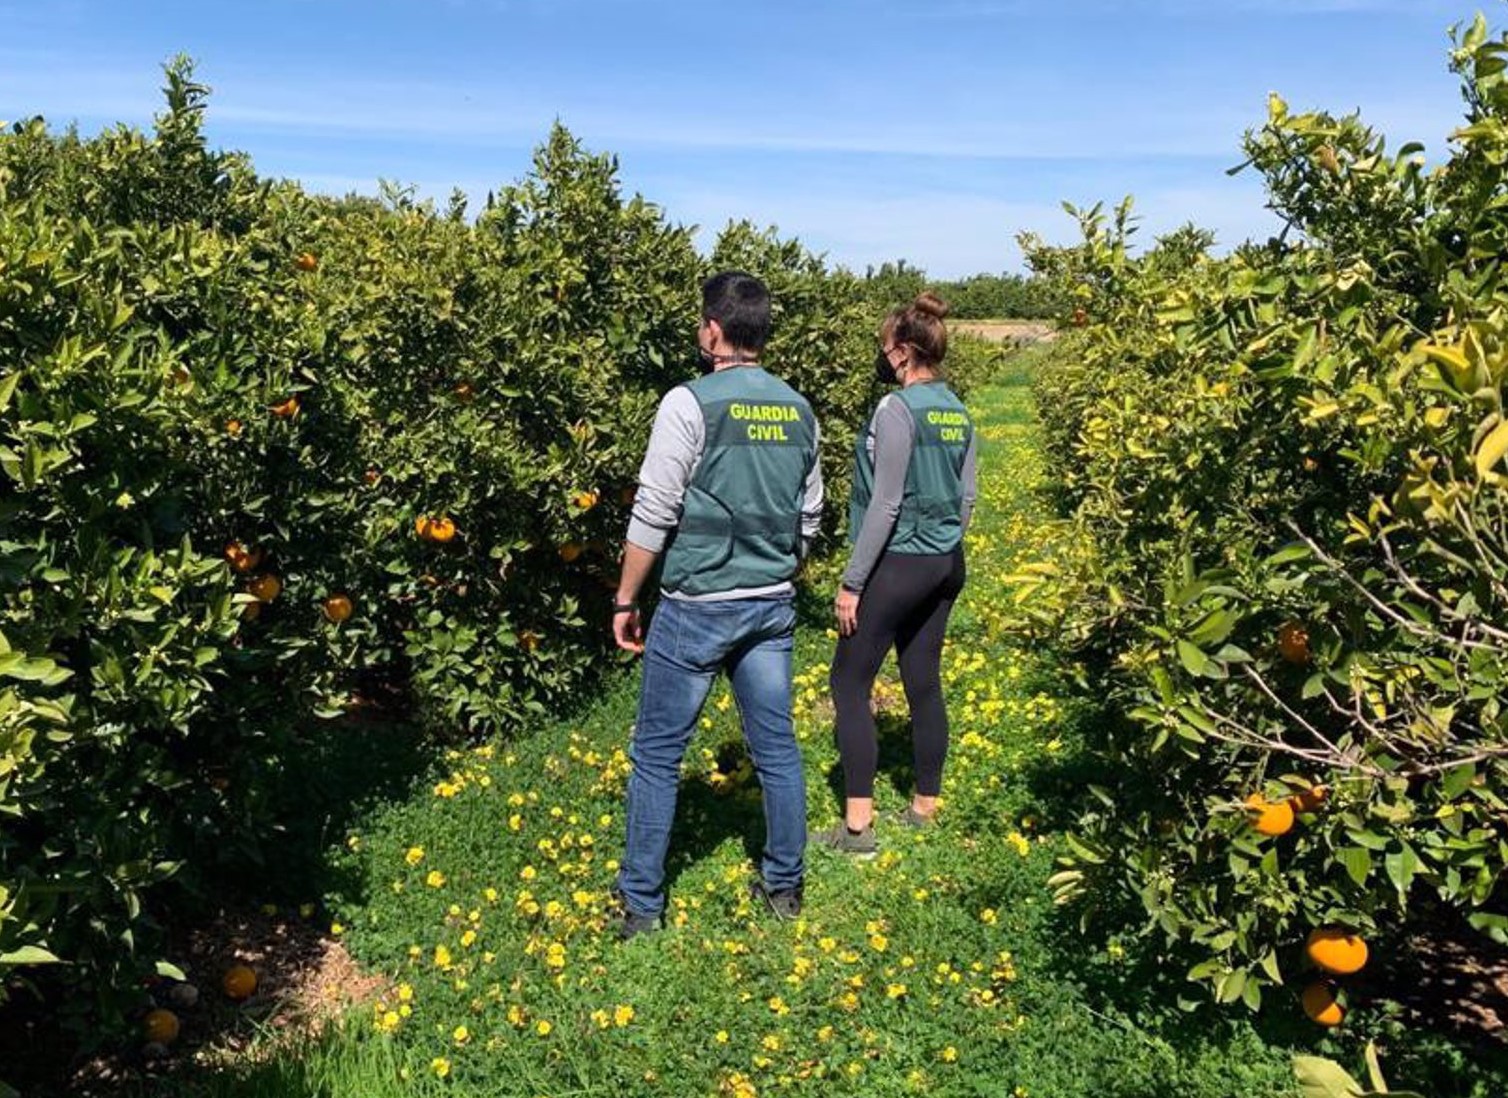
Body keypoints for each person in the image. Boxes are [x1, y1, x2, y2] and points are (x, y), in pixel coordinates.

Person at [611, 271, 823, 938]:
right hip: (770, 606)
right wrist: (778, 571)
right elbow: (809, 517)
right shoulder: (798, 408)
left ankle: (642, 904)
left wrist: (624, 597)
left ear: (712, 331)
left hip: (698, 604)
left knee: (658, 754)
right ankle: (784, 885)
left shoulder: (688, 403)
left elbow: (654, 511)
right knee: (777, 750)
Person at [813, 292, 977, 856]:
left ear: (904, 352)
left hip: (898, 561)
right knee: (923, 677)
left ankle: (857, 827)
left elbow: (884, 505)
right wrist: (943, 547)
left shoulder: (897, 410)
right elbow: (968, 496)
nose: (884, 360)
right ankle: (924, 804)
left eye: (886, 350)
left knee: (849, 681)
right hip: (945, 562)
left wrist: (853, 581)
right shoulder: (957, 409)